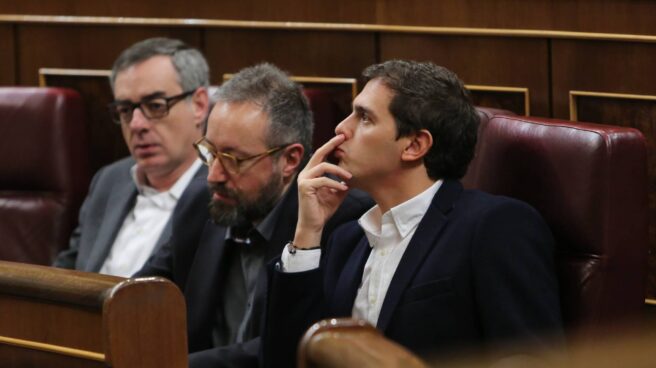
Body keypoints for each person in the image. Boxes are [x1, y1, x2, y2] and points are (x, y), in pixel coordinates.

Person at [263, 60, 564, 366]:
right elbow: (286, 360)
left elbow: (530, 358)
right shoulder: (346, 239)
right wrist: (307, 234)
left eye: (364, 118)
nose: (342, 128)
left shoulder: (495, 226)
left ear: (415, 145)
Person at [136, 63, 372, 368]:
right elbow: (139, 295)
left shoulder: (341, 221)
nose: (214, 175)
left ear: (290, 160)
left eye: (234, 159)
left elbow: (292, 347)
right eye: (210, 152)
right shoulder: (201, 201)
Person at [53, 37, 211, 277]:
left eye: (156, 106)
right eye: (125, 110)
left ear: (199, 105)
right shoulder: (109, 180)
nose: (137, 124)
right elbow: (68, 272)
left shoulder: (220, 193)